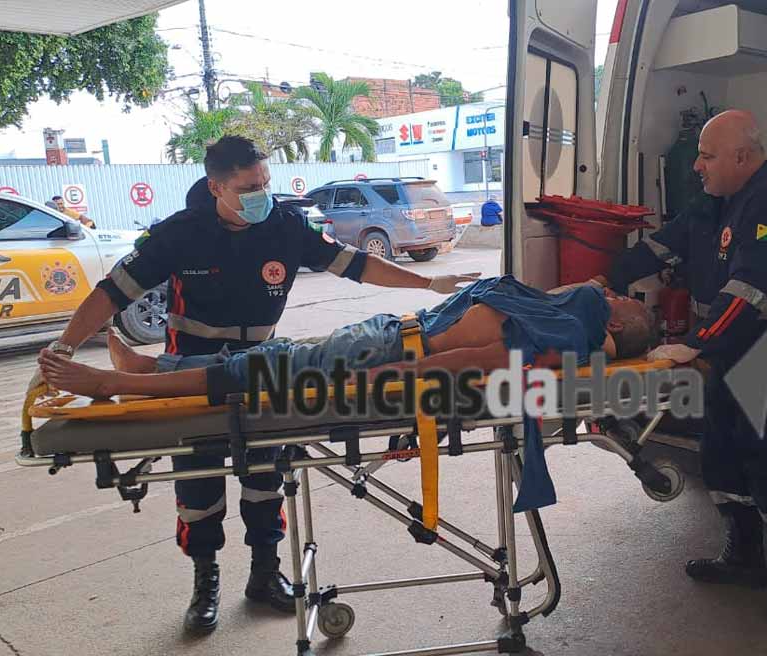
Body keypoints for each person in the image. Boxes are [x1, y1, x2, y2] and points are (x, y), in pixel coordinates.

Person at [30, 136, 480, 635]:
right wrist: (66, 345)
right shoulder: (179, 235)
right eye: (249, 187)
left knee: (266, 472)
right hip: (190, 367)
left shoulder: (285, 227)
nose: (261, 194)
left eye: (265, 183)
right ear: (216, 187)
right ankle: (206, 583)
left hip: (260, 361)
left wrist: (427, 284)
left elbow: (356, 265)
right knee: (199, 483)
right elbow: (112, 292)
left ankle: (265, 575)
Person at [611, 110, 767, 630]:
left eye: (708, 156)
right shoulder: (712, 205)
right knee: (723, 459)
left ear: (742, 156)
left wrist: (693, 344)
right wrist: (603, 278)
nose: (698, 167)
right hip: (732, 355)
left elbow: (752, 287)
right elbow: (660, 246)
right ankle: (745, 561)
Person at [37, 275, 657, 401]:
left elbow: (472, 362)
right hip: (391, 334)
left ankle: (121, 383)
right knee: (274, 357)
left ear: (619, 325)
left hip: (390, 353)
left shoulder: (563, 334)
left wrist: (373, 383)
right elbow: (592, 286)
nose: (611, 291)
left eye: (623, 301)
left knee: (273, 371)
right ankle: (151, 369)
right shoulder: (566, 314)